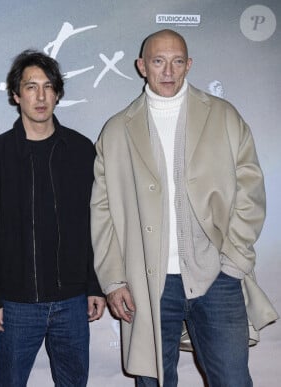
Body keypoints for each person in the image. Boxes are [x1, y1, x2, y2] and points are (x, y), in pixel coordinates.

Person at [91, 29, 277, 386]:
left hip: (218, 278)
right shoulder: (116, 131)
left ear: (189, 65)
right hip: (148, 282)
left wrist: (234, 261)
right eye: (159, 61)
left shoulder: (223, 116)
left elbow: (251, 192)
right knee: (155, 380)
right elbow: (102, 214)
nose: (168, 71)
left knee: (234, 380)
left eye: (177, 62)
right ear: (141, 66)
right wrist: (114, 280)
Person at [0, 49, 106, 387]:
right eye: (31, 87)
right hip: (14, 305)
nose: (40, 96)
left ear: (58, 93)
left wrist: (95, 284)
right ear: (16, 95)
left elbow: (98, 225)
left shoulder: (81, 150)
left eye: (48, 86)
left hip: (72, 301)